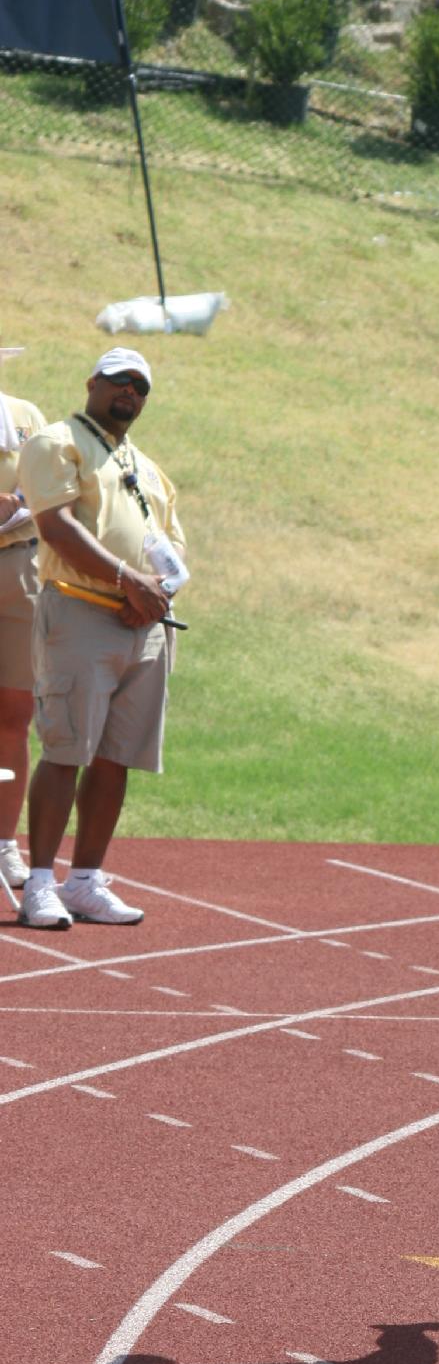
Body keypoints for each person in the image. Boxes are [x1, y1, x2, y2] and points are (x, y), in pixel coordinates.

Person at [17, 347, 186, 930]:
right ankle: (40, 882)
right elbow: (55, 526)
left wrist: (157, 592)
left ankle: (85, 880)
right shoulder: (57, 442)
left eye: (140, 386)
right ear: (92, 382)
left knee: (117, 757)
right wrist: (127, 581)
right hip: (81, 611)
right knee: (66, 748)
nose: (129, 392)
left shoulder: (148, 467)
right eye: (119, 381)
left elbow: (173, 543)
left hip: (144, 624)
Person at [0, 344, 46, 895]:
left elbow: (50, 488)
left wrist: (15, 503)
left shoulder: (26, 415)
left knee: (15, 715)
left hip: (21, 566)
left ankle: (4, 842)